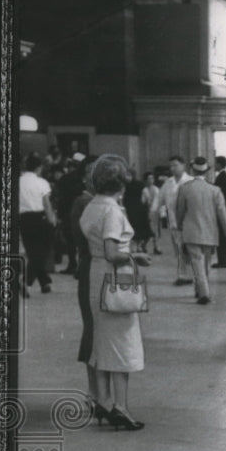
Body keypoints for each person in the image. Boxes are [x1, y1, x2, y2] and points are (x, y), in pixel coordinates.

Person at [79, 154, 152, 430]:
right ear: (121, 183)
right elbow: (112, 252)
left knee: (101, 341)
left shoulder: (92, 206)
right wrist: (136, 256)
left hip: (96, 277)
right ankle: (120, 407)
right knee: (122, 343)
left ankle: (102, 401)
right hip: (113, 279)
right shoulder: (112, 211)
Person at [175, 156, 226, 305]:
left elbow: (180, 210)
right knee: (206, 263)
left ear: (192, 170)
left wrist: (179, 224)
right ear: (206, 172)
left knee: (196, 262)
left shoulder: (185, 188)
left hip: (191, 230)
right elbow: (222, 214)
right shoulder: (215, 190)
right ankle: (201, 290)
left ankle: (203, 292)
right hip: (210, 231)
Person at [70, 156, 99, 415]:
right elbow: (80, 237)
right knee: (93, 327)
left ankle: (100, 392)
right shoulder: (84, 201)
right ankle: (93, 392)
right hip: (91, 268)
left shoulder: (104, 202)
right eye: (93, 174)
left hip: (101, 267)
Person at [19, 151, 57, 295]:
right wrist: (52, 219)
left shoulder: (18, 181)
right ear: (39, 167)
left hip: (23, 219)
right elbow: (46, 204)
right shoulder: (42, 182)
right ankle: (26, 281)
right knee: (41, 252)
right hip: (39, 219)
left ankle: (44, 282)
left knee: (32, 251)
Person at [158, 155, 193, 287]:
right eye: (171, 166)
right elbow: (160, 198)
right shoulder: (168, 182)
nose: (172, 168)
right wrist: (156, 212)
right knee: (179, 249)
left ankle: (192, 274)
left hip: (188, 221)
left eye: (175, 165)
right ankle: (182, 275)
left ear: (183, 165)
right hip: (173, 222)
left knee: (189, 249)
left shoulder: (191, 181)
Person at [212, 156, 226, 268]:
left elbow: (222, 195)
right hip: (223, 209)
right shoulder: (224, 176)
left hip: (222, 210)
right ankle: (223, 260)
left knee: (222, 237)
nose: (214, 165)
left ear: (219, 164)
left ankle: (223, 261)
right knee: (222, 236)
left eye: (215, 163)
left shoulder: (222, 177)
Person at [140, 171, 161, 254]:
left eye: (152, 178)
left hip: (155, 212)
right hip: (147, 212)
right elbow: (142, 201)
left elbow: (159, 201)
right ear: (145, 180)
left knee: (156, 230)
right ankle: (143, 245)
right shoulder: (144, 190)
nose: (151, 180)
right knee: (148, 230)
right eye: (149, 178)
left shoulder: (156, 189)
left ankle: (156, 247)